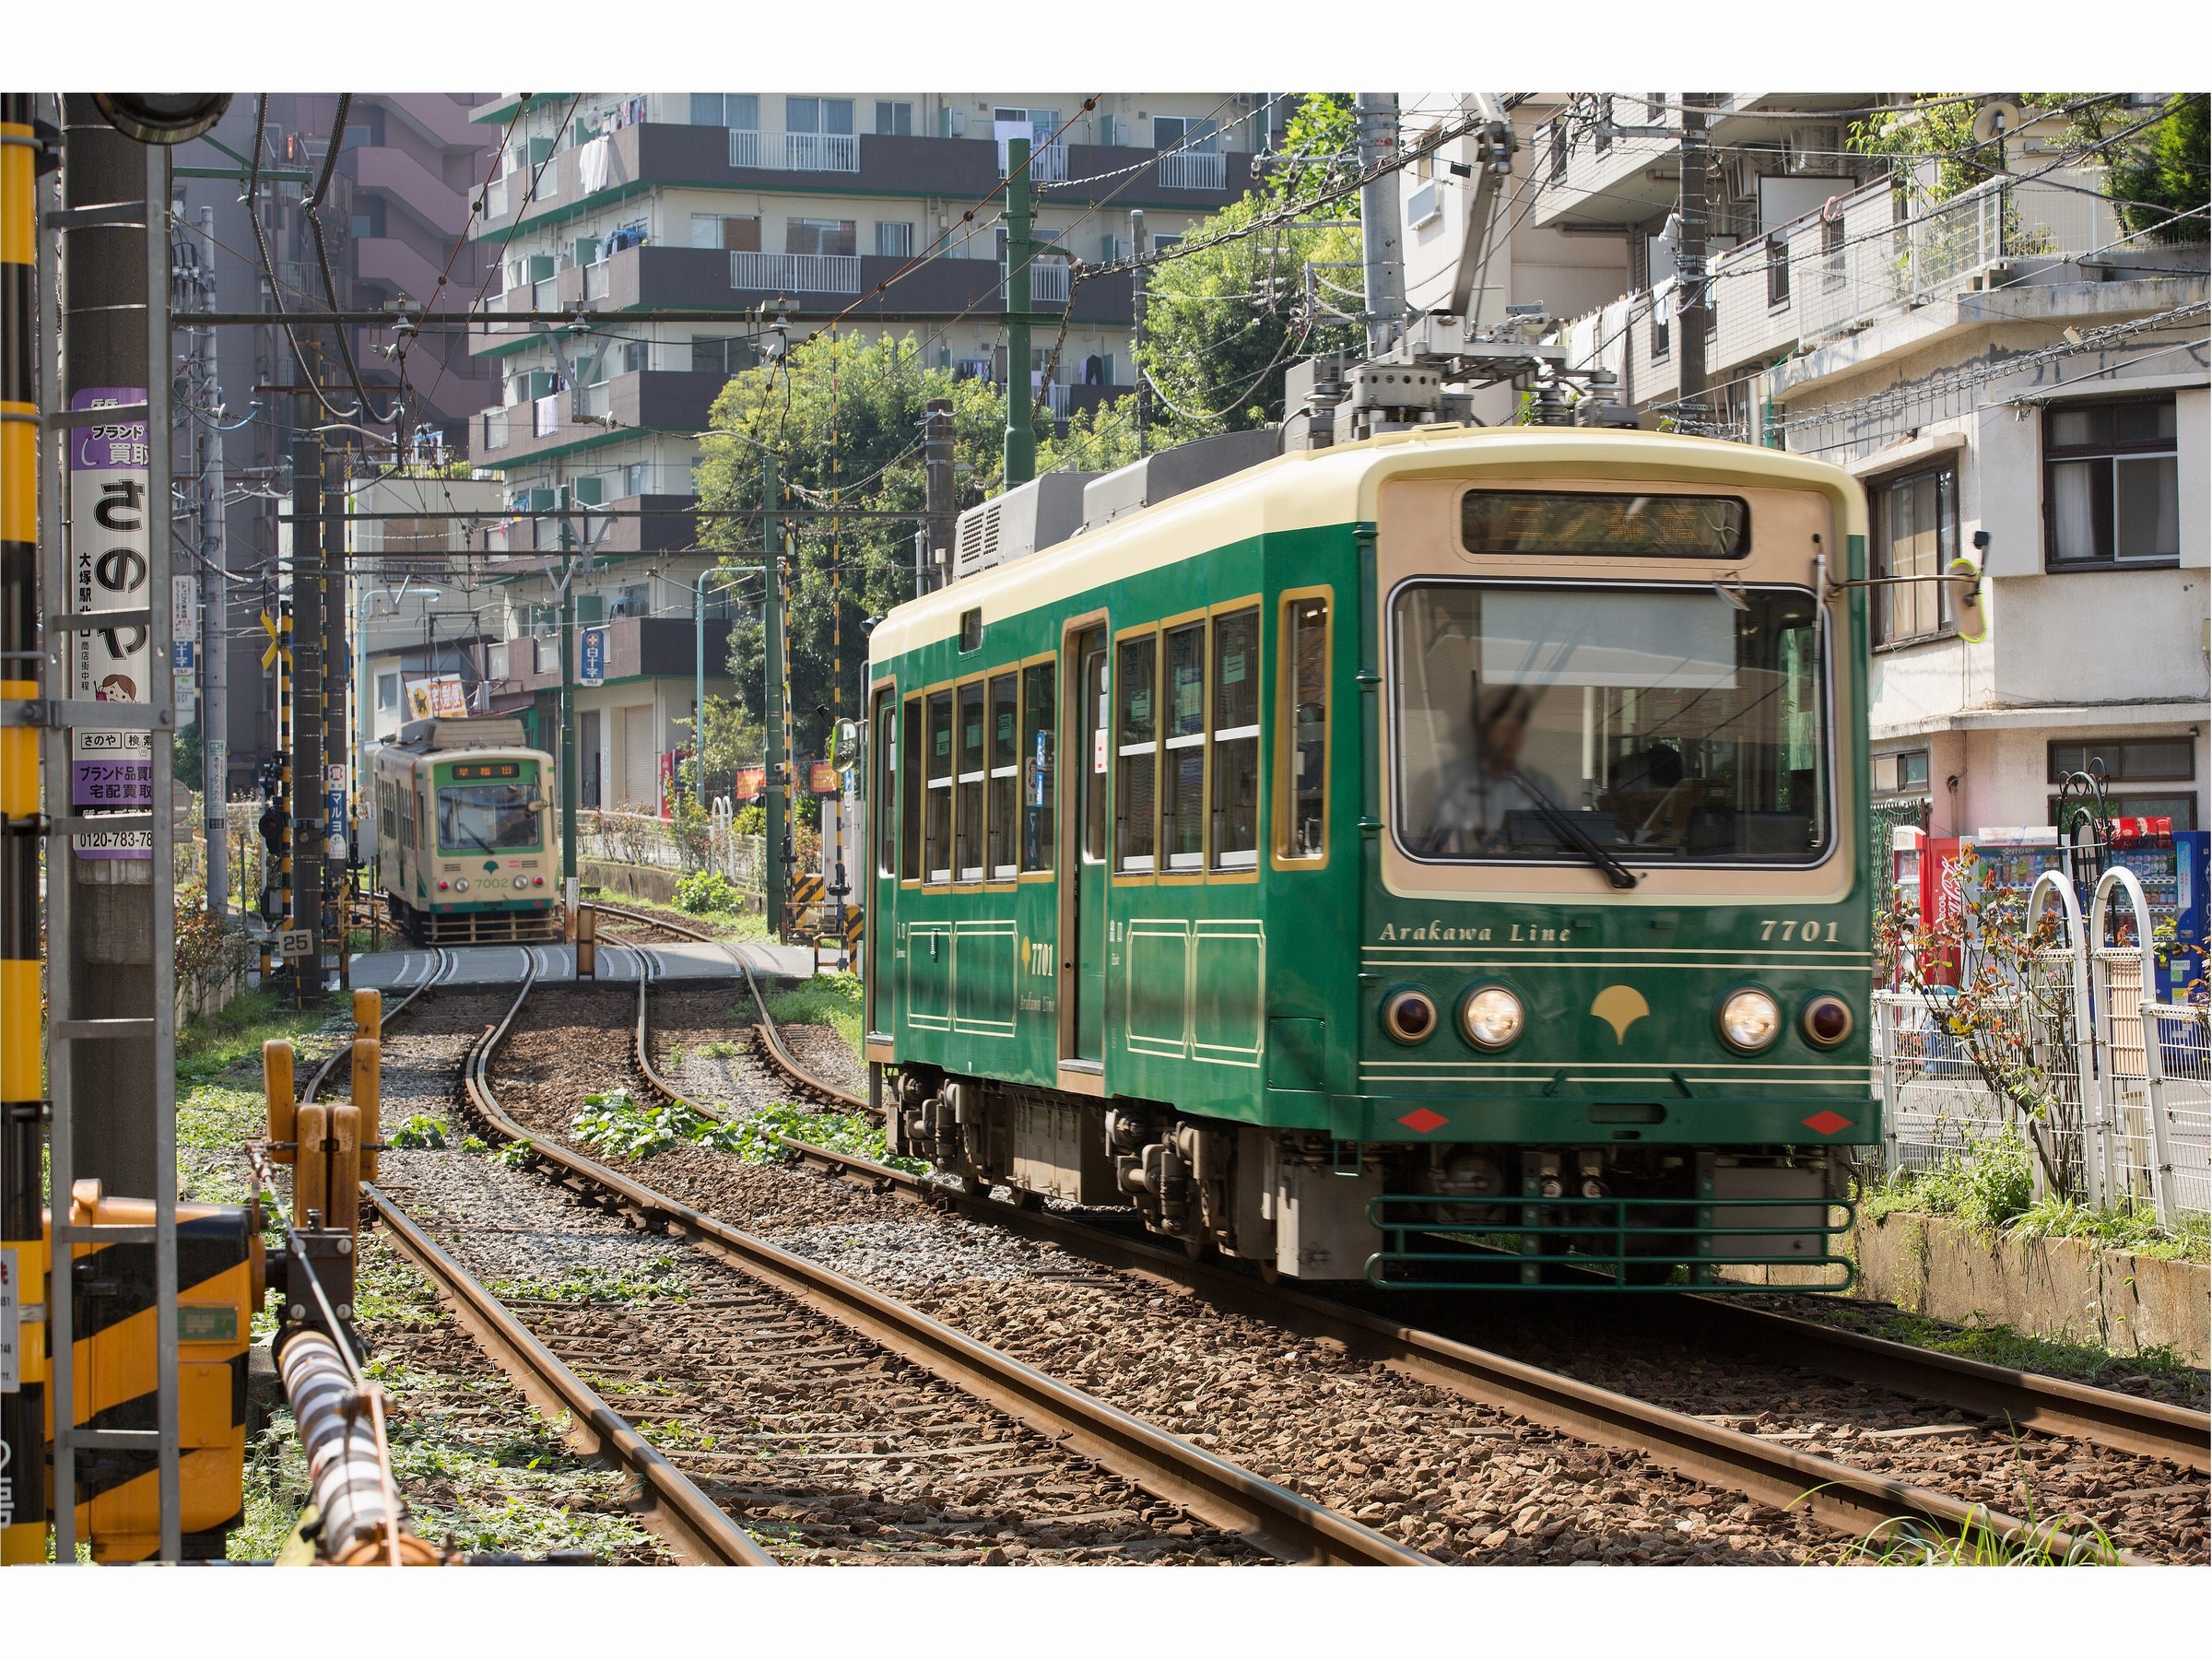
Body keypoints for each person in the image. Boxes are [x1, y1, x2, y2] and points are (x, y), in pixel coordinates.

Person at [1419, 684, 1570, 855]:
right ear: (1482, 728)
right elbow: (1426, 852)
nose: (1513, 733)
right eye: (1504, 724)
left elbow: (1571, 844)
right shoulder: (1446, 781)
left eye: (1519, 723)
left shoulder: (1543, 786)